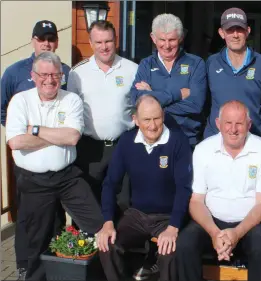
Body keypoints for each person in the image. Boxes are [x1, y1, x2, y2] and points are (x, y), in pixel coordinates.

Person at [5, 51, 104, 281]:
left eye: (56, 75)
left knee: (98, 224)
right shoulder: (21, 101)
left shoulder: (71, 100)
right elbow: (16, 141)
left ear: (62, 76)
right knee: (36, 241)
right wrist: (56, 135)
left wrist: (35, 129)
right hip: (34, 181)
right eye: (44, 75)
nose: (50, 80)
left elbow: (72, 138)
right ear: (33, 75)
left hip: (68, 177)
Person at [1, 20, 70, 278]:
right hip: (27, 160)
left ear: (56, 42)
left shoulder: (65, 72)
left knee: (55, 215)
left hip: (57, 160)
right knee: (28, 216)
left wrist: (47, 135)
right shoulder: (15, 72)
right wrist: (24, 135)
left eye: (51, 39)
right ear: (33, 41)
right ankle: (23, 265)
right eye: (42, 39)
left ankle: (55, 263)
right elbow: (3, 111)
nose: (46, 43)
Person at [97, 95, 193, 281]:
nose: (152, 125)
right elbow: (110, 183)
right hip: (137, 215)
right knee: (107, 245)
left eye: (156, 118)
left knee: (170, 253)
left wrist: (173, 227)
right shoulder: (126, 141)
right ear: (135, 120)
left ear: (163, 115)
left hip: (168, 216)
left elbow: (184, 188)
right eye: (146, 120)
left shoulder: (178, 141)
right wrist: (107, 222)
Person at [177, 100, 261, 281]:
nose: (233, 129)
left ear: (249, 125)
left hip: (249, 222)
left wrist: (236, 233)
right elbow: (196, 201)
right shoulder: (203, 150)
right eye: (228, 123)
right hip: (210, 221)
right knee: (184, 245)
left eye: (239, 123)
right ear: (218, 124)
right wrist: (214, 233)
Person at [67, 20, 138, 204]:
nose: (104, 47)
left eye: (108, 41)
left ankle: (121, 233)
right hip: (90, 149)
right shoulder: (77, 73)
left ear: (115, 41)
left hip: (122, 145)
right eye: (98, 42)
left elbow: (139, 105)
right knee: (89, 200)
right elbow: (70, 111)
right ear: (90, 43)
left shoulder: (132, 69)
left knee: (123, 200)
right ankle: (87, 235)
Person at [130, 13, 207, 147]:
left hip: (187, 140)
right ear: (153, 38)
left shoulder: (196, 64)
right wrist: (177, 95)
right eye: (162, 39)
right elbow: (136, 99)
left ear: (181, 38)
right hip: (152, 141)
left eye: (172, 39)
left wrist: (152, 95)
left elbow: (196, 105)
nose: (166, 45)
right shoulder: (146, 64)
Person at [204, 8, 261, 140]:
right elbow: (205, 100)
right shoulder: (211, 63)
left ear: (248, 31)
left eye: (240, 29)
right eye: (230, 30)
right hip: (216, 139)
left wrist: (255, 123)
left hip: (251, 138)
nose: (235, 35)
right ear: (221, 33)